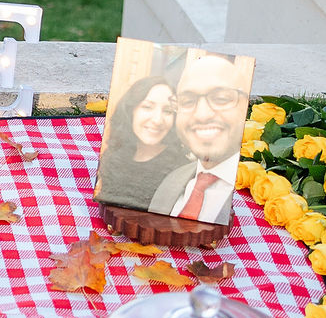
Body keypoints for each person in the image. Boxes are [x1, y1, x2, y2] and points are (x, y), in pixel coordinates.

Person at [149, 53, 251, 225]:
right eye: (188, 101)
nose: (202, 115)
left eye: (221, 98)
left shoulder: (260, 192)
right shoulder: (172, 180)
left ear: (245, 105)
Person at [96, 73, 190, 211]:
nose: (157, 120)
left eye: (168, 111)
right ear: (131, 110)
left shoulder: (182, 171)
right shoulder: (112, 157)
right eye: (147, 107)